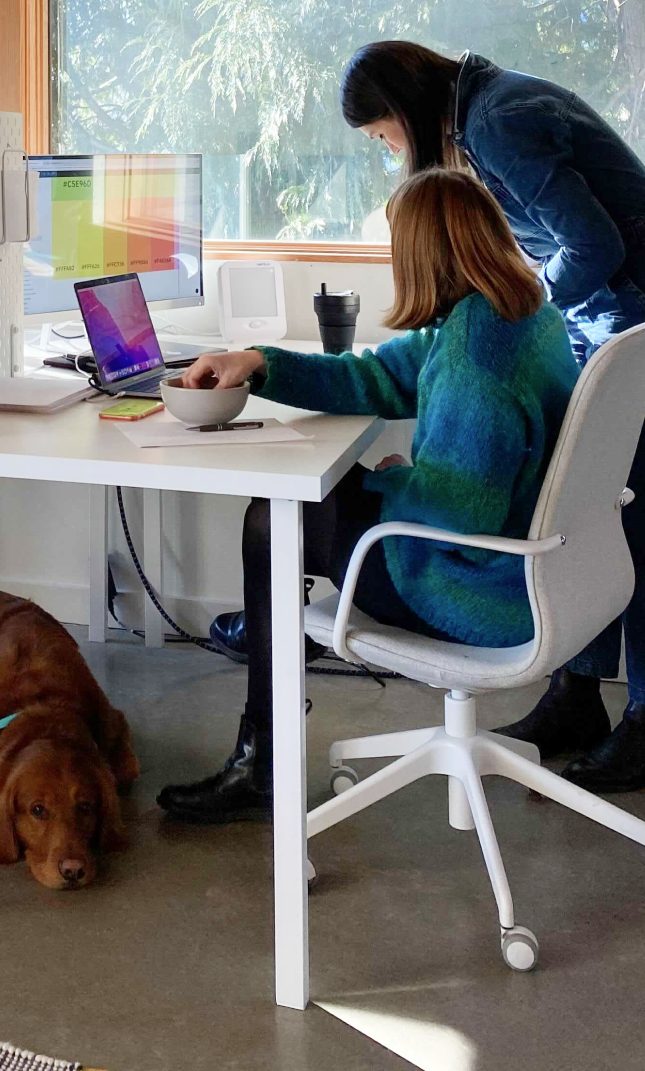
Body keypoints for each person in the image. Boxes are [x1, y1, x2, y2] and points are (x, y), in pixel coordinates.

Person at [336, 41, 645, 792]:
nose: (392, 153)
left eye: (385, 136)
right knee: (583, 507)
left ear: (406, 108)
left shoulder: (498, 121)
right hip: (623, 311)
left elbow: (592, 244)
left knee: (638, 518)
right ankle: (578, 696)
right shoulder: (490, 109)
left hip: (642, 313)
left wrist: (516, 300)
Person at [158, 169, 579, 825]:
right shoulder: (516, 314)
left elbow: (457, 514)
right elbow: (378, 376)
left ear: (422, 255)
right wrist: (260, 364)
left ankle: (262, 759)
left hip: (472, 586)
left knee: (271, 520)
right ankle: (276, 660)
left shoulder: (473, 360)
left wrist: (395, 477)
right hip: (531, 569)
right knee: (297, 511)